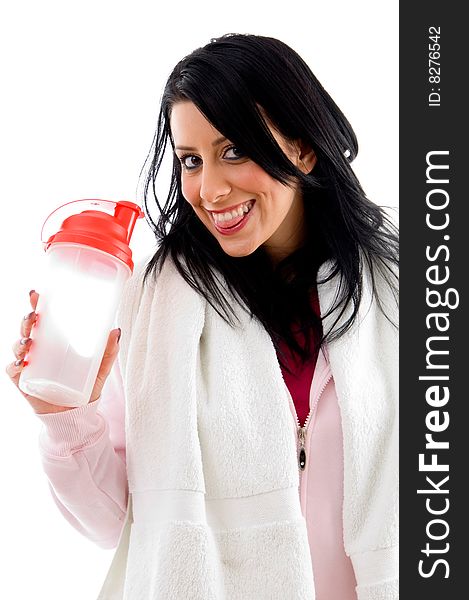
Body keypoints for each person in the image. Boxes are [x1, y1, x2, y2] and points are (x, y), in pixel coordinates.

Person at [6, 33, 398, 599]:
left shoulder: (407, 292)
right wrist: (65, 415)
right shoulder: (156, 305)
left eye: (234, 151)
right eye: (191, 160)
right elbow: (119, 527)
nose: (209, 189)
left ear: (304, 149)